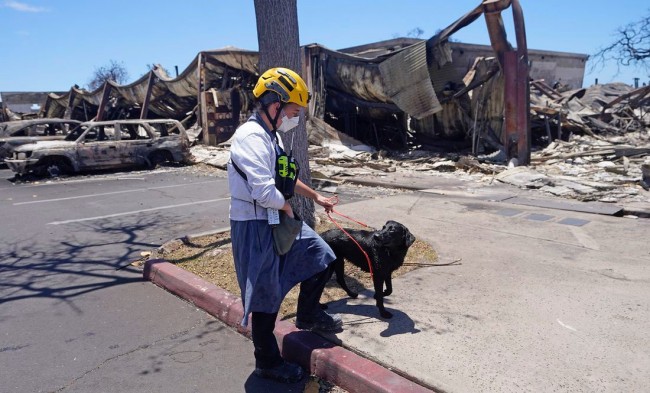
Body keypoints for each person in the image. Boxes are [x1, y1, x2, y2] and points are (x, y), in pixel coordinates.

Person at [227, 67, 342, 384]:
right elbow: (264, 192)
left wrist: (316, 196)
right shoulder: (250, 138)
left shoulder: (270, 136)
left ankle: (307, 313)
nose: (293, 118)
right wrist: (289, 206)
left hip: (276, 217)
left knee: (321, 256)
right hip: (254, 224)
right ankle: (267, 362)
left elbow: (284, 178)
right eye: (292, 111)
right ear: (274, 103)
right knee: (264, 296)